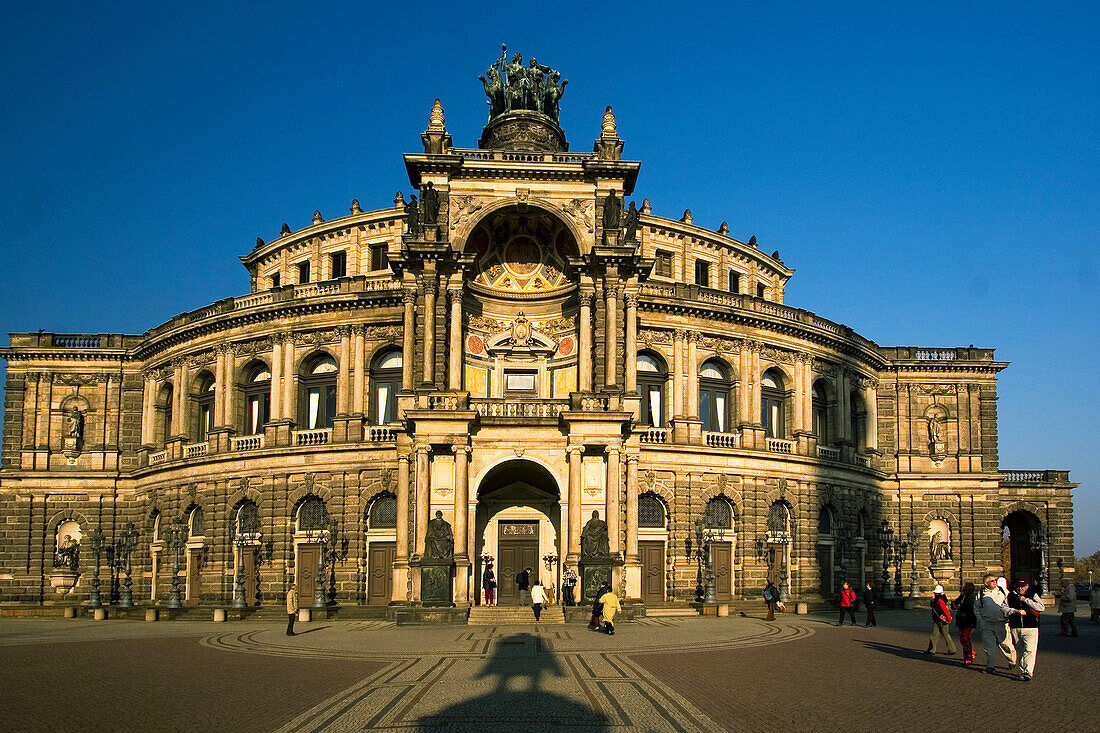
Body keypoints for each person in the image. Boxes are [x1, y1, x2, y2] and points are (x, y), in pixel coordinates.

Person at [976, 574, 1016, 674]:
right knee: (989, 647)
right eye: (992, 581)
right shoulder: (981, 594)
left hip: (1001, 623)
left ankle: (1012, 660)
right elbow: (977, 608)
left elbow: (1011, 603)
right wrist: (981, 620)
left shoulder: (1003, 591)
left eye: (995, 580)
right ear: (986, 583)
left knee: (1005, 644)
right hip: (987, 624)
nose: (995, 582)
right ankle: (990, 666)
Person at [1007, 577, 1045, 681]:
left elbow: (1041, 607)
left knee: (1029, 650)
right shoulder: (1010, 596)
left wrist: (1026, 600)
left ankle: (1028, 672)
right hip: (1016, 627)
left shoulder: (1032, 594)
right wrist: (1013, 611)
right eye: (1018, 586)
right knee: (1021, 651)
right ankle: (1023, 670)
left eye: (1022, 586)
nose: (1020, 588)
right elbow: (1003, 608)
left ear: (1027, 586)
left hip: (1031, 626)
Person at [925, 585, 957, 655]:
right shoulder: (941, 599)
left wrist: (948, 618)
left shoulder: (939, 600)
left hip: (940, 620)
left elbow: (945, 610)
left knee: (936, 635)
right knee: (943, 635)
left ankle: (932, 650)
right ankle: (951, 649)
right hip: (941, 619)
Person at [952, 582, 978, 664]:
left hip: (968, 622)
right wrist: (955, 605)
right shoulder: (963, 596)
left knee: (966, 639)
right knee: (962, 639)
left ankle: (968, 658)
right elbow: (955, 603)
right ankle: (970, 652)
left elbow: (971, 611)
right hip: (961, 621)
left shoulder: (972, 598)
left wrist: (961, 609)